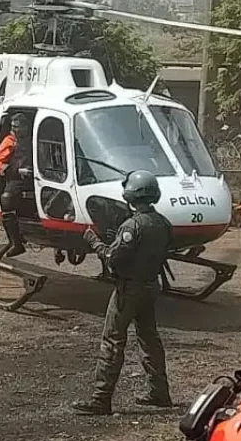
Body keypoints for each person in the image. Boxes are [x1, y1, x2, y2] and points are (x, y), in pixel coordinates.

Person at [73, 169, 173, 416]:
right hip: (151, 286)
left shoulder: (131, 226)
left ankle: (101, 399)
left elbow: (112, 259)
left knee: (113, 340)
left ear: (131, 194)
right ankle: (160, 393)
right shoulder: (163, 223)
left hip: (129, 289)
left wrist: (93, 240)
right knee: (149, 339)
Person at [0, 112, 33, 258]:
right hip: (17, 179)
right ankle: (15, 242)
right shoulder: (10, 141)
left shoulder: (34, 139)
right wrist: (16, 170)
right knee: (6, 201)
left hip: (37, 177)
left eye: (19, 127)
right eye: (14, 127)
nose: (16, 130)